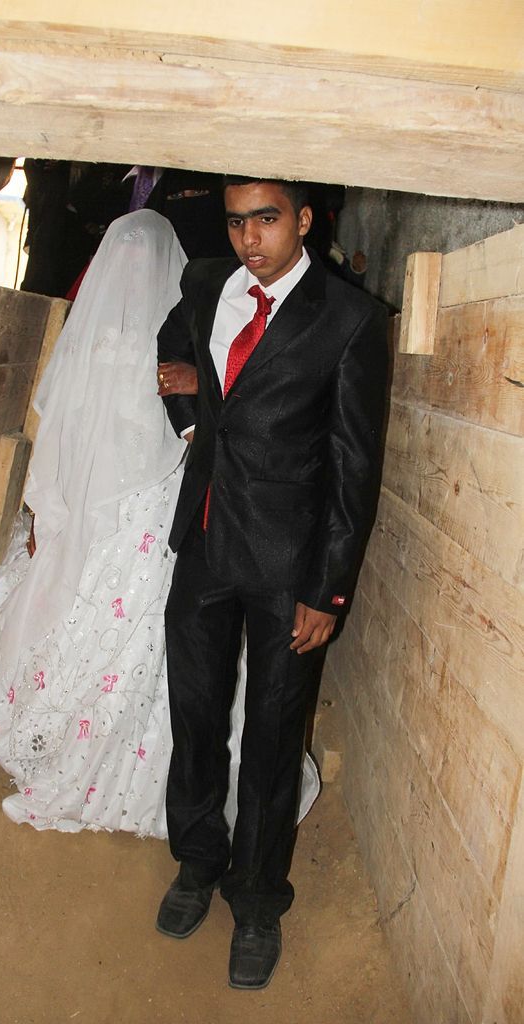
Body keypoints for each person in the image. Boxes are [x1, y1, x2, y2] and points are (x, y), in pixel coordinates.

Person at [0, 207, 320, 838]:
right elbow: (76, 441)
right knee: (146, 638)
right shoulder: (154, 348)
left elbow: (84, 438)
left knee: (162, 640)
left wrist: (54, 504)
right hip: (133, 518)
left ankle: (154, 768)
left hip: (149, 518)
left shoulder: (168, 346)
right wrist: (53, 509)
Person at [155, 177, 388, 989]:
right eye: (238, 221)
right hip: (207, 542)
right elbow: (176, 348)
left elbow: (356, 466)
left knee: (272, 733)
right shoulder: (204, 282)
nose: (251, 237)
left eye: (268, 218)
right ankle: (196, 860)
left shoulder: (350, 319)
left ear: (303, 220)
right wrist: (189, 412)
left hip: (291, 564)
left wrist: (328, 591)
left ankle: (256, 899)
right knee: (193, 709)